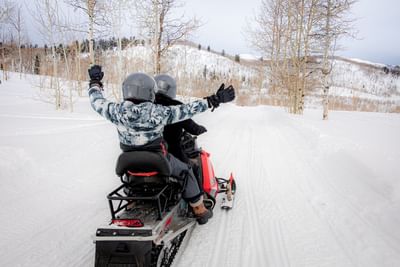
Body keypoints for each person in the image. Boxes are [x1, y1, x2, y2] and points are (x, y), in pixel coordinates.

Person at [87, 65, 235, 225]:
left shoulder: (115, 111)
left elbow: (96, 100)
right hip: (157, 160)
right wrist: (215, 99)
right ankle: (199, 209)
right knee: (186, 171)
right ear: (150, 92)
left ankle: (133, 200)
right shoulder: (159, 112)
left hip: (128, 163)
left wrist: (95, 82)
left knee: (132, 175)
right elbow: (188, 109)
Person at [154, 74, 208, 164]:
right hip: (172, 153)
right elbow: (193, 129)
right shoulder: (176, 107)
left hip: (149, 153)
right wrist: (201, 129)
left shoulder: (147, 106)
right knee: (192, 169)